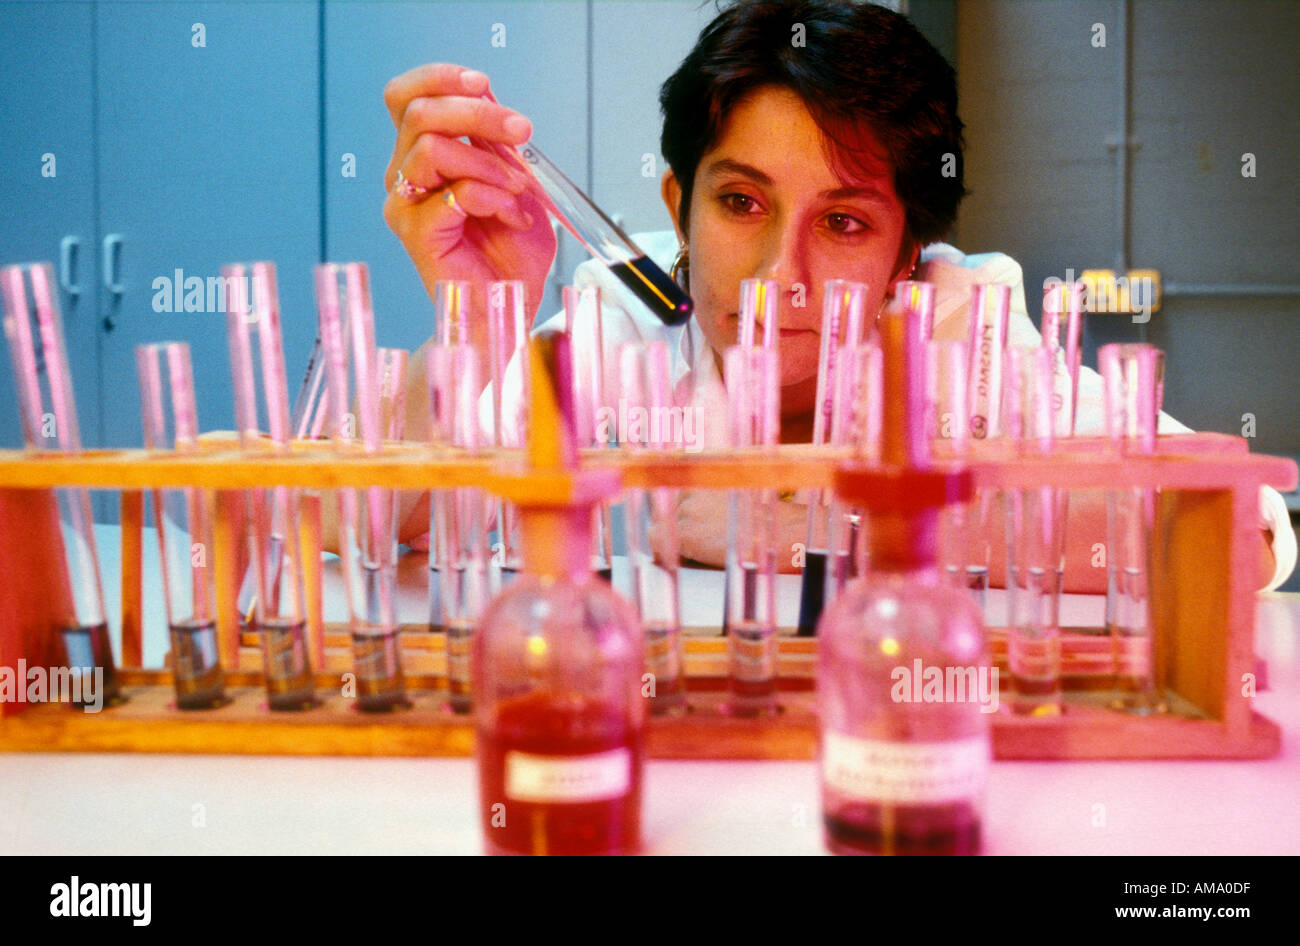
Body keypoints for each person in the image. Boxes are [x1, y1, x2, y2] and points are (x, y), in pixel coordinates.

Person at [380, 0, 1292, 592]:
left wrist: (808, 521)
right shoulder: (626, 315)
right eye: (741, 203)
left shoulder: (960, 333)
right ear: (678, 209)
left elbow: (1240, 532)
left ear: (909, 256)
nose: (783, 276)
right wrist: (470, 325)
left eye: (845, 223)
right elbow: (385, 523)